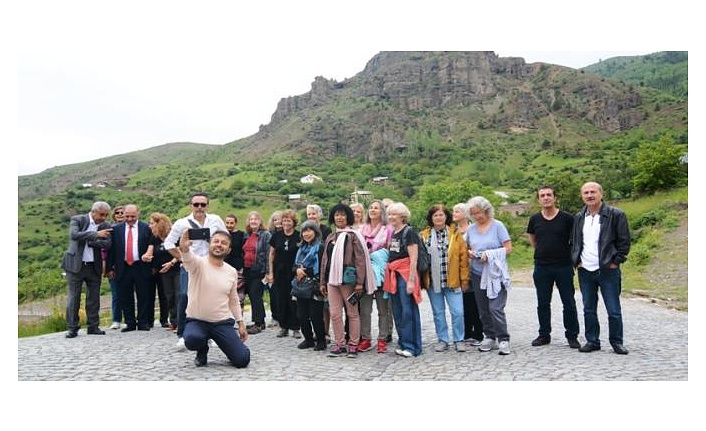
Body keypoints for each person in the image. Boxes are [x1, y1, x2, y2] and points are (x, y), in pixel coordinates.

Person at [571, 181, 631, 355]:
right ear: (582, 196)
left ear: (601, 194)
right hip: (585, 270)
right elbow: (574, 241)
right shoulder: (579, 217)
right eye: (586, 193)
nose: (589, 195)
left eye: (593, 192)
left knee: (613, 309)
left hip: (608, 269)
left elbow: (624, 241)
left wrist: (615, 262)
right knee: (589, 309)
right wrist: (577, 261)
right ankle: (592, 341)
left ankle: (617, 342)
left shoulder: (616, 214)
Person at [177, 229, 251, 368]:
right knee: (192, 339)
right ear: (210, 244)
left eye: (224, 243)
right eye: (216, 241)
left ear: (228, 250)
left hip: (222, 322)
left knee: (242, 360)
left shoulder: (231, 271)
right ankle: (202, 349)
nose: (219, 245)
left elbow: (233, 300)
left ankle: (230, 347)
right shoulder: (198, 264)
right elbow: (187, 259)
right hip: (197, 321)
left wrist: (241, 323)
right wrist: (184, 248)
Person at [163, 192, 227, 349]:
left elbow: (226, 237)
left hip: (211, 265)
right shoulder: (182, 223)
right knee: (185, 296)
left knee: (211, 299)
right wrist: (182, 257)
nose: (199, 207)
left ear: (207, 206)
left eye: (202, 204)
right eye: (196, 204)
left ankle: (211, 334)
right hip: (190, 265)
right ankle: (182, 334)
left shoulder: (215, 220)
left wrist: (215, 244)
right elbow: (168, 243)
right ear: (190, 205)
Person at [526, 185, 580, 348]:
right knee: (543, 303)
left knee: (568, 302)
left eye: (549, 195)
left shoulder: (567, 218)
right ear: (539, 200)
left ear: (555, 198)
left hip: (563, 266)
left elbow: (576, 239)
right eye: (542, 195)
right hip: (542, 266)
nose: (546, 198)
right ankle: (544, 335)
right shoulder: (535, 219)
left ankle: (572, 336)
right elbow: (533, 239)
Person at [320, 203, 376, 358]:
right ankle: (340, 344)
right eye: (337, 215)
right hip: (332, 280)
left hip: (348, 280)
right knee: (335, 313)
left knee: (352, 313)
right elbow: (324, 260)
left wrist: (360, 282)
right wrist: (322, 281)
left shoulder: (354, 236)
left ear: (348, 217)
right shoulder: (331, 236)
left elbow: (360, 260)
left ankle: (353, 344)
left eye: (343, 214)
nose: (339, 217)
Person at [420, 204, 470, 352]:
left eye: (441, 215)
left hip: (452, 281)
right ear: (431, 218)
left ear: (446, 217)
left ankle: (459, 339)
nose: (438, 217)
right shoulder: (424, 235)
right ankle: (443, 339)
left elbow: (463, 259)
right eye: (435, 215)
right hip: (433, 282)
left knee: (458, 312)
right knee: (438, 313)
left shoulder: (455, 234)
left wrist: (465, 279)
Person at [467, 196, 513, 355]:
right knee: (483, 308)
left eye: (479, 212)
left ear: (486, 211)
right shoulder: (471, 229)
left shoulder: (498, 226)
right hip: (477, 273)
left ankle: (503, 338)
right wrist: (471, 253)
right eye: (473, 213)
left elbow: (508, 248)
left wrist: (490, 254)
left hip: (495, 274)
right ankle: (490, 336)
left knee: (495, 308)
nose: (477, 216)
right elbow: (466, 247)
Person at [62, 201, 113, 338]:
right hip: (75, 265)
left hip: (94, 266)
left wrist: (90, 241)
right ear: (93, 211)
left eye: (106, 215)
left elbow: (107, 244)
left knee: (94, 298)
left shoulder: (106, 225)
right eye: (101, 214)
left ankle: (93, 326)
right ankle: (72, 328)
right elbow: (74, 235)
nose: (103, 218)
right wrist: (96, 235)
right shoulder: (78, 219)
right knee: (74, 297)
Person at [384, 201, 423, 357]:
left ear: (402, 216)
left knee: (408, 311)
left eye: (394, 214)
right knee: (398, 311)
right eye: (390, 214)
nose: (391, 217)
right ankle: (403, 342)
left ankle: (412, 346)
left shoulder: (409, 232)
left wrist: (411, 281)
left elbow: (413, 258)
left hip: (405, 274)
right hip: (394, 274)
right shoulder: (394, 233)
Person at [106, 204, 154, 332]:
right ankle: (130, 322)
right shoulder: (116, 229)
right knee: (125, 295)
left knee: (143, 295)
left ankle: (143, 322)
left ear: (138, 214)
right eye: (127, 216)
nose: (130, 219)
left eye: (133, 216)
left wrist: (152, 264)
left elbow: (152, 245)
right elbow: (112, 250)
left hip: (141, 265)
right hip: (123, 266)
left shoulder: (146, 228)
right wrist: (109, 268)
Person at [359, 199, 394, 353]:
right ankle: (366, 338)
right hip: (366, 273)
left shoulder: (388, 230)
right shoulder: (362, 229)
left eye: (376, 208)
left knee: (383, 309)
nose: (373, 210)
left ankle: (382, 338)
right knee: (365, 309)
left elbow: (390, 250)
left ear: (382, 212)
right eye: (371, 208)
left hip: (381, 273)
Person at [142, 212, 180, 331]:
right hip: (164, 271)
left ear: (160, 224)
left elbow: (181, 251)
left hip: (177, 268)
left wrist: (171, 263)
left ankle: (181, 322)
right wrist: (145, 257)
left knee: (179, 295)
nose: (150, 226)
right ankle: (174, 322)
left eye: (152, 223)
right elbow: (149, 252)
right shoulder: (155, 238)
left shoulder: (174, 235)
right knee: (169, 296)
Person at [293, 220, 327, 351]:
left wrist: (304, 271)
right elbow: (294, 266)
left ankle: (321, 340)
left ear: (315, 232)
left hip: (315, 285)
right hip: (301, 285)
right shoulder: (301, 248)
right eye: (304, 231)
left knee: (315, 315)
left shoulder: (320, 247)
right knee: (301, 315)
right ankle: (308, 339)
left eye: (309, 230)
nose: (306, 234)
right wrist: (297, 270)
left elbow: (322, 267)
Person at [267, 209, 302, 338]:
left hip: (293, 272)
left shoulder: (299, 236)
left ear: (294, 222)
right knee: (281, 299)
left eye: (289, 221)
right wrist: (271, 272)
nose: (286, 223)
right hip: (279, 272)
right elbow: (271, 254)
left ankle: (296, 327)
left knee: (294, 300)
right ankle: (284, 327)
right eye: (284, 220)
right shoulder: (276, 236)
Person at [454, 202, 483, 346]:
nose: (454, 213)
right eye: (453, 211)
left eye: (457, 211)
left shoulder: (473, 229)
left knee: (475, 302)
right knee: (463, 302)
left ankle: (478, 332)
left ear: (465, 214)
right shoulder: (453, 231)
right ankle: (466, 331)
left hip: (473, 269)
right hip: (458, 271)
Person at [242, 211, 272, 335]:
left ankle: (258, 323)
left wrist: (268, 271)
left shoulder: (266, 235)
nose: (253, 221)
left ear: (260, 221)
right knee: (252, 295)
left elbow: (269, 254)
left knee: (255, 295)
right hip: (247, 269)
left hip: (259, 269)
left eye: (256, 219)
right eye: (251, 219)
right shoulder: (247, 235)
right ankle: (260, 322)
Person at [307, 203, 332, 342]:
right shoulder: (306, 229)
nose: (311, 216)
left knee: (325, 305)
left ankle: (326, 332)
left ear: (319, 215)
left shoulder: (326, 230)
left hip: (323, 269)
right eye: (309, 214)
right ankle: (317, 331)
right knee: (313, 304)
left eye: (314, 213)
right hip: (310, 270)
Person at [104, 205, 125, 330]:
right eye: (117, 212)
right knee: (116, 294)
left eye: (122, 212)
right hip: (114, 267)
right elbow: (107, 251)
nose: (120, 214)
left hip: (131, 266)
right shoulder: (110, 230)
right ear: (114, 215)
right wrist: (108, 268)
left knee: (131, 294)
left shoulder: (134, 230)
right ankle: (116, 319)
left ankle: (131, 319)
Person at [266, 210, 284, 327]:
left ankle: (284, 318)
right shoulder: (270, 234)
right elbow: (269, 253)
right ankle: (275, 317)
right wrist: (269, 271)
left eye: (279, 219)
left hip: (285, 267)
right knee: (273, 294)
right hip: (273, 266)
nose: (277, 222)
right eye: (274, 220)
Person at [224, 214, 245, 308]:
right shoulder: (222, 235)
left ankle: (239, 314)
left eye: (231, 223)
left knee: (239, 293)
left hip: (238, 267)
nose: (229, 225)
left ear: (235, 223)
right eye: (227, 223)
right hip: (224, 267)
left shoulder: (241, 234)